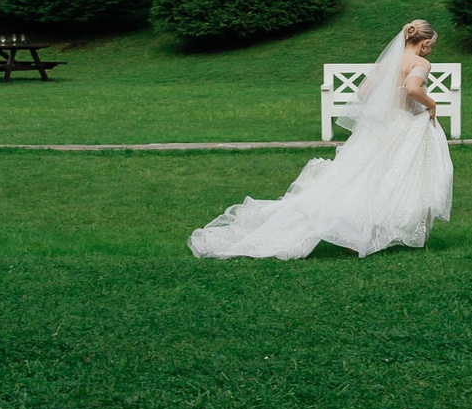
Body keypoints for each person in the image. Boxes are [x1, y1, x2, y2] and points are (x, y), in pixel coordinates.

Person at [189, 21, 454, 258]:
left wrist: (386, 104)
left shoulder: (388, 62)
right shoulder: (421, 63)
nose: (430, 51)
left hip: (381, 127)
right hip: (402, 125)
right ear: (425, 43)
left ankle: (353, 232)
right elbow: (412, 88)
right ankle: (363, 231)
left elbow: (362, 94)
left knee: (358, 177)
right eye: (431, 46)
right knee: (392, 178)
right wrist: (431, 105)